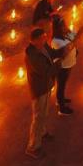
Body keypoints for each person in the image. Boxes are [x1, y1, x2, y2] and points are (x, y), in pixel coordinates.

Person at [25, 26, 61, 157]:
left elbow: (52, 53)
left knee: (44, 112)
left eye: (45, 37)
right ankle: (33, 146)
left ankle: (42, 132)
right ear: (34, 41)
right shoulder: (32, 55)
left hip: (46, 86)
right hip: (39, 89)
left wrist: (63, 50)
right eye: (42, 38)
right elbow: (45, 71)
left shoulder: (42, 46)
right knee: (38, 116)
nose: (45, 40)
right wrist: (59, 64)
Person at [50, 16, 82, 115]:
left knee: (63, 84)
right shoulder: (56, 41)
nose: (65, 27)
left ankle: (61, 99)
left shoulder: (66, 34)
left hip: (69, 64)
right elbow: (65, 51)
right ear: (58, 28)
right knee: (61, 85)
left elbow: (75, 36)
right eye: (63, 25)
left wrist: (74, 33)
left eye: (65, 24)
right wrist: (76, 38)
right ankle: (61, 108)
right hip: (62, 67)